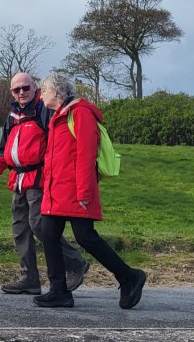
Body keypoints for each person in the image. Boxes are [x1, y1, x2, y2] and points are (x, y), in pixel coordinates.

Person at [35, 73, 146, 309]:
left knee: (86, 237)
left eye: (43, 90)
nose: (41, 95)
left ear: (57, 91)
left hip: (75, 191)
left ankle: (129, 276)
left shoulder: (81, 113)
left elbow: (86, 156)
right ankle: (59, 291)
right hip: (56, 191)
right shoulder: (58, 117)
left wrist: (85, 192)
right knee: (48, 234)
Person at [0, 72, 90, 296]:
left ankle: (75, 263)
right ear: (12, 92)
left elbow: (56, 142)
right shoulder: (12, 116)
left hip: (39, 178)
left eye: (26, 88)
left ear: (35, 87)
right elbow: (3, 148)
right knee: (20, 229)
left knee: (39, 225)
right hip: (19, 179)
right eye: (17, 90)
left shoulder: (43, 110)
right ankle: (29, 278)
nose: (22, 93)